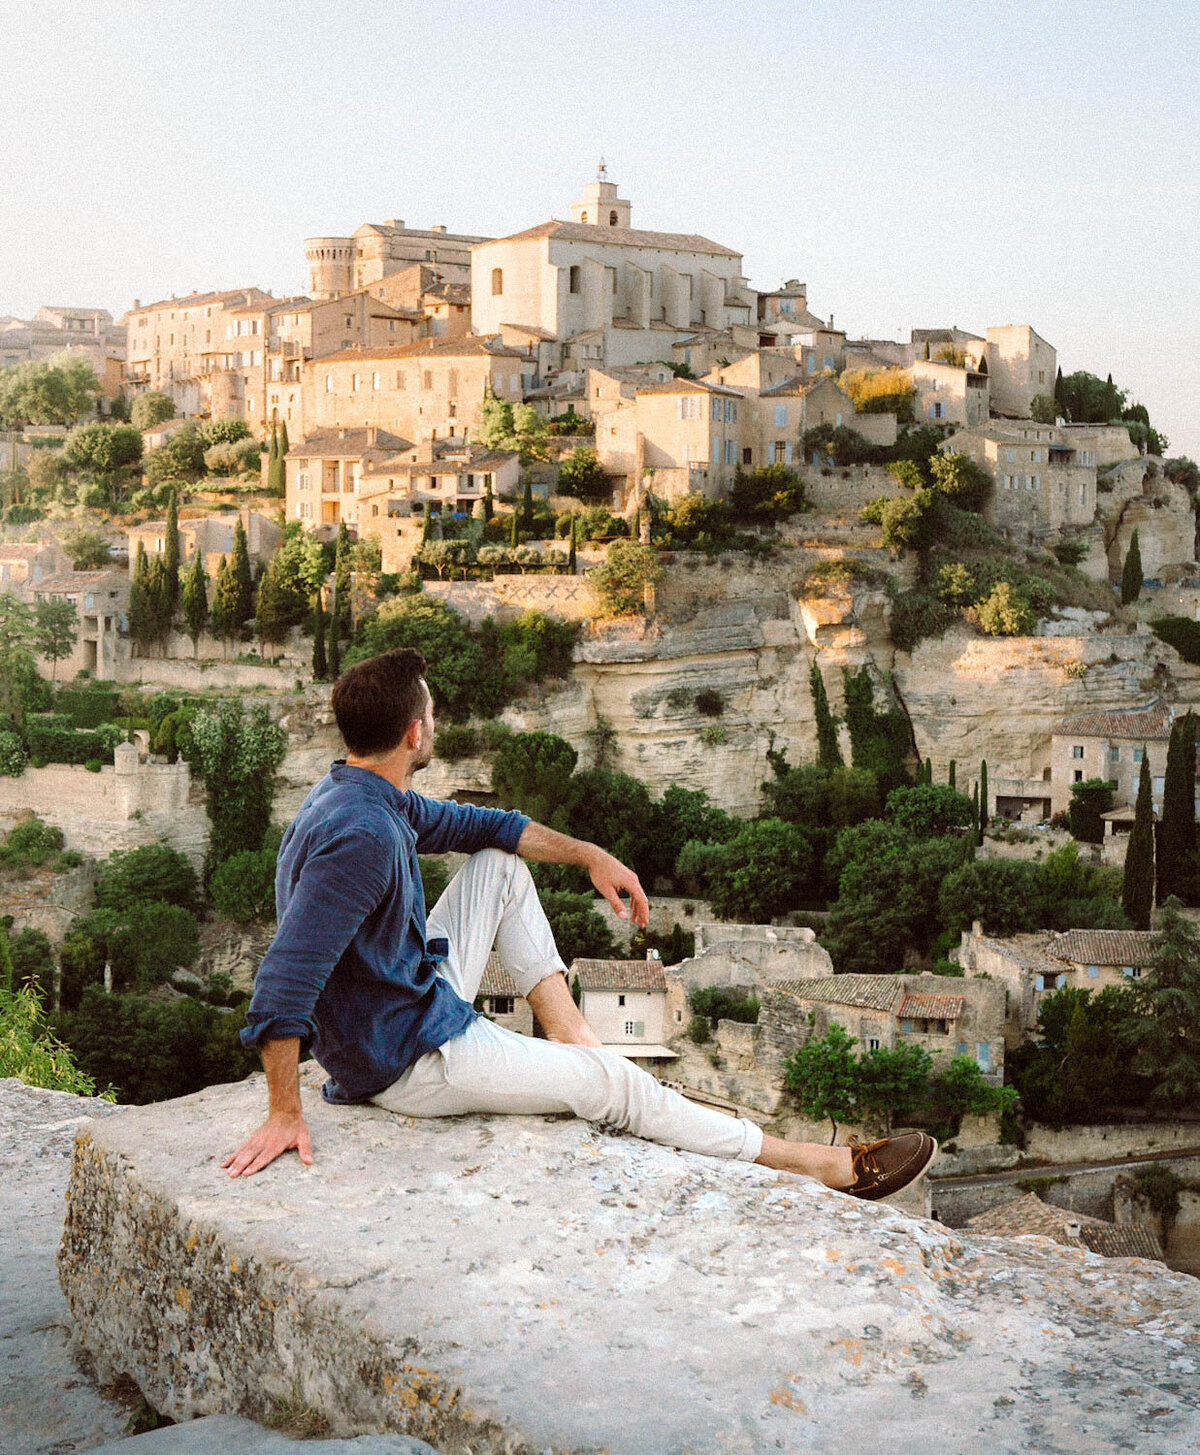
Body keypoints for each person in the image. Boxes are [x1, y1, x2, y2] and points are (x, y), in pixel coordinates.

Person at [223, 647, 936, 1201]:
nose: (434, 723)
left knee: (501, 866)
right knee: (618, 1089)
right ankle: (827, 1165)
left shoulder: (364, 792)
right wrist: (284, 1109)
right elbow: (284, 980)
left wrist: (591, 855)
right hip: (406, 1057)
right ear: (416, 731)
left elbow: (487, 825)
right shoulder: (363, 835)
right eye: (432, 713)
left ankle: (575, 1041)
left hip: (404, 997)